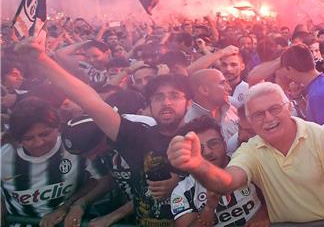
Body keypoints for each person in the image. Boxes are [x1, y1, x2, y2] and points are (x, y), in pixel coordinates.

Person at [18, 37, 190, 226]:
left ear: (189, 103)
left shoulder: (204, 136)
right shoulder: (137, 136)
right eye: (158, 97)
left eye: (174, 96)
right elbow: (90, 100)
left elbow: (221, 182)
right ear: (150, 104)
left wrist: (181, 183)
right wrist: (42, 59)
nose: (166, 102)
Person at [167, 82, 324, 225]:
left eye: (274, 109)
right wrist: (197, 164)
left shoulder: (319, 135)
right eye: (258, 114)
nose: (269, 118)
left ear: (288, 107)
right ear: (250, 120)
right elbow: (227, 181)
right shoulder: (252, 150)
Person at [2, 98, 108, 227]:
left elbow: (104, 180)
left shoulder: (74, 146)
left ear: (58, 127)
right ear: (18, 139)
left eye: (45, 134)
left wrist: (76, 204)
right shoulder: (4, 156)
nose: (39, 143)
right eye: (28, 138)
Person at [170, 116, 268, 227]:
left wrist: (264, 213)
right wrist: (209, 208)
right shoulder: (182, 191)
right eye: (199, 148)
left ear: (225, 144)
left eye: (213, 143)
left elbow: (275, 195)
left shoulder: (248, 162)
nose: (207, 152)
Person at [280, 44, 324, 124]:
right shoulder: (320, 84)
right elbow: (313, 119)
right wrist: (298, 98)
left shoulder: (318, 94)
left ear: (290, 68)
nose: (287, 76)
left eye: (286, 71)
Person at [185, 69, 239, 145]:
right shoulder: (188, 123)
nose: (229, 88)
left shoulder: (233, 105)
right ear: (204, 90)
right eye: (222, 83)